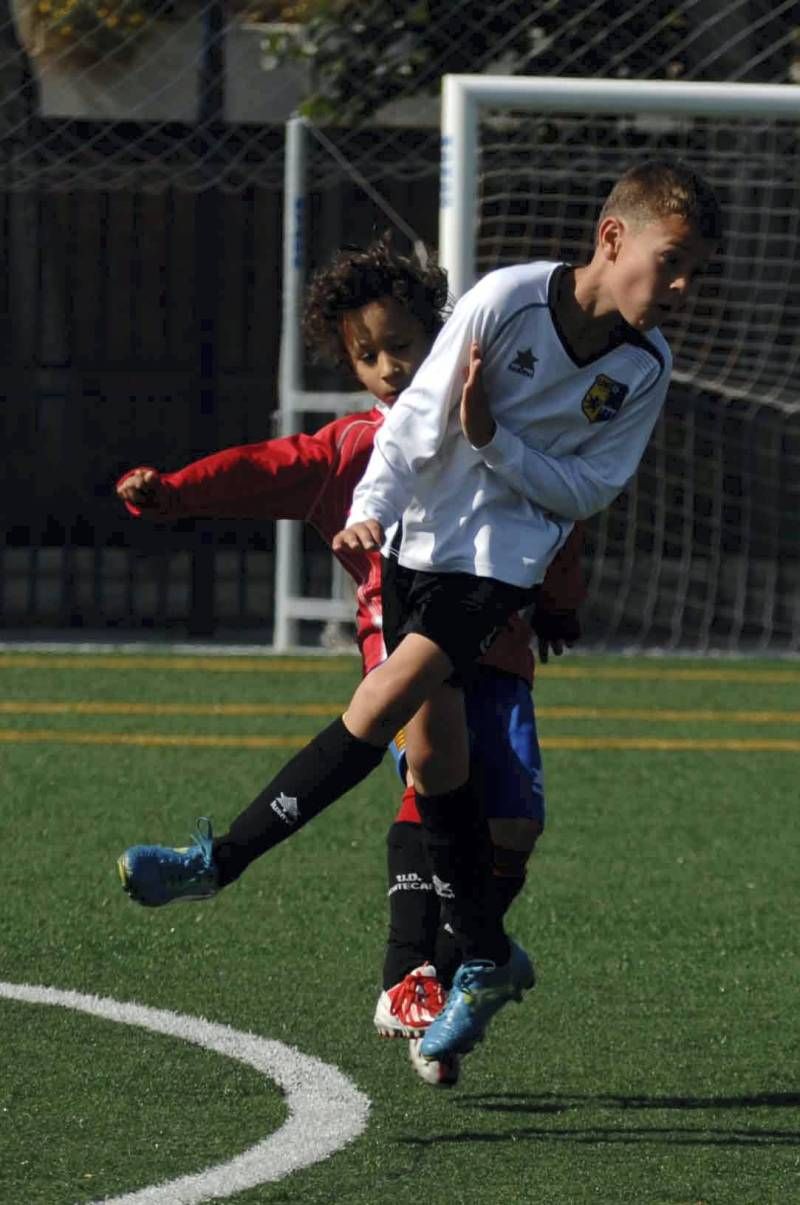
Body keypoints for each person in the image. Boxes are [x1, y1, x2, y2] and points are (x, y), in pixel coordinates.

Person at [119, 160, 722, 1065]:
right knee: (435, 763)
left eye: (693, 271)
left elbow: (590, 488)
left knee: (385, 699)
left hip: (495, 570)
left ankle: (220, 861)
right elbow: (411, 423)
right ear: (613, 238)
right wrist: (375, 503)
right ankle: (481, 956)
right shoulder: (509, 298)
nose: (681, 287)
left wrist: (496, 442)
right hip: (417, 545)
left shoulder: (646, 366)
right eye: (671, 261)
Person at [116, 234, 584, 1087]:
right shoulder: (349, 452)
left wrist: (560, 598)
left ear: (442, 335)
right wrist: (175, 490)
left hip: (499, 650)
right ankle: (409, 972)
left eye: (400, 345)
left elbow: (558, 503)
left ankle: (464, 968)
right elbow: (258, 469)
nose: (387, 368)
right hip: (404, 653)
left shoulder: (491, 419)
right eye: (366, 355)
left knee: (513, 823)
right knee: (428, 767)